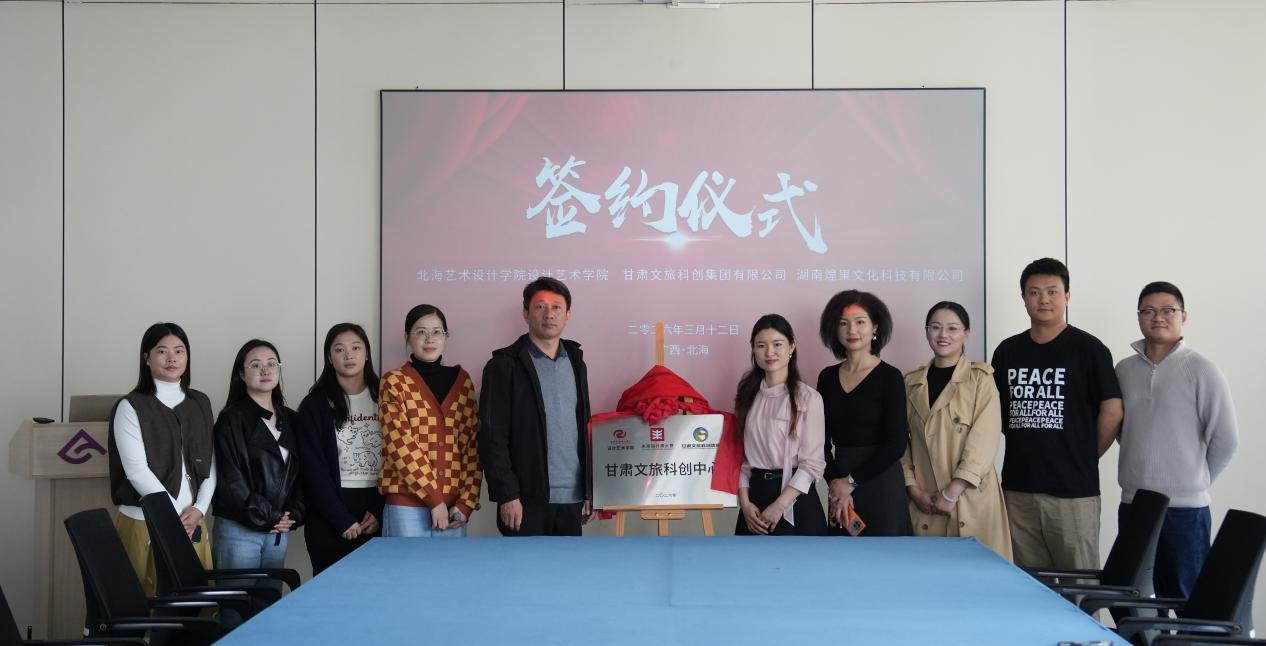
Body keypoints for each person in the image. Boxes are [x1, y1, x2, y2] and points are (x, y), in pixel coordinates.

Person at [991, 258, 1122, 570]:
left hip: (1073, 493)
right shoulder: (1007, 351)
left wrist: (1085, 456)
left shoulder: (1089, 349)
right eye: (1034, 292)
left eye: (1052, 291)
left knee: (1080, 583)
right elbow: (996, 412)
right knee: (1028, 584)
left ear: (1067, 296)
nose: (1044, 299)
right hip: (1018, 489)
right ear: (1024, 298)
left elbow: (1113, 410)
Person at [1116, 281, 1238, 598]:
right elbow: (1123, 430)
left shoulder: (1202, 370)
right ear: (1138, 317)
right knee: (1130, 598)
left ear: (1184, 316)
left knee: (1186, 599)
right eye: (1148, 311)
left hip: (1184, 511)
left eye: (1168, 310)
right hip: (1133, 504)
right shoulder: (1123, 370)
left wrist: (1195, 479)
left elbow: (1226, 439)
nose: (1158, 317)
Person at [107, 322, 216, 595]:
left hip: (193, 521)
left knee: (194, 606)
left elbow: (210, 463)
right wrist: (174, 516)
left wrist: (200, 509)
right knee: (145, 605)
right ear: (146, 358)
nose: (172, 358)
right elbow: (136, 471)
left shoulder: (200, 402)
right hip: (145, 521)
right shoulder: (130, 406)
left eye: (179, 351)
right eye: (162, 351)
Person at [480, 277, 592, 536]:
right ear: (525, 313)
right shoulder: (504, 366)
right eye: (540, 306)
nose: (549, 314)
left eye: (556, 307)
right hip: (525, 499)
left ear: (568, 315)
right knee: (523, 564)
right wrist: (507, 494)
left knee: (569, 564)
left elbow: (584, 428)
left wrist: (589, 490)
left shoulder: (576, 362)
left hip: (572, 498)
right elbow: (492, 438)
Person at [902, 302, 1012, 559]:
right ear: (926, 331)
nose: (943, 335)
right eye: (935, 327)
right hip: (926, 499)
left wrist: (952, 492)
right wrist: (913, 489)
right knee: (930, 573)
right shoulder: (911, 382)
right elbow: (902, 442)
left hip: (970, 496)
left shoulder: (980, 379)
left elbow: (984, 441)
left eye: (952, 328)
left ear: (966, 334)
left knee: (978, 574)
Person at [212, 339, 304, 601]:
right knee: (236, 607)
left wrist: (293, 513)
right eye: (255, 365)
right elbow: (231, 479)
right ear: (241, 374)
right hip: (240, 529)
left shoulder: (291, 418)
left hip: (278, 531)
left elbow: (300, 475)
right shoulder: (231, 418)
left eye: (271, 364)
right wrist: (270, 515)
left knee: (268, 606)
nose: (265, 370)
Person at [378, 305, 481, 537]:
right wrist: (434, 499)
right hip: (407, 506)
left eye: (437, 332)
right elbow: (400, 445)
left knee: (450, 565)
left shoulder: (463, 382)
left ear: (446, 337)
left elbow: (471, 447)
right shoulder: (393, 382)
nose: (430, 339)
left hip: (454, 510)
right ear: (407, 337)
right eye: (421, 332)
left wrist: (467, 502)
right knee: (406, 563)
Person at [817, 290, 912, 536]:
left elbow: (897, 444)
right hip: (839, 483)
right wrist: (835, 483)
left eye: (860, 322)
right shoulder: (827, 378)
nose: (852, 330)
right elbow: (820, 442)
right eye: (843, 323)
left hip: (881, 481)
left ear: (875, 327)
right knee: (840, 554)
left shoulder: (890, 377)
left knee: (885, 555)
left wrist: (850, 482)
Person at [296, 323, 384, 573]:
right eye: (339, 349)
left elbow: (399, 456)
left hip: (375, 503)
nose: (348, 355)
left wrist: (379, 511)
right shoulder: (314, 404)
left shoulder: (386, 396)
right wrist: (340, 518)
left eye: (356, 348)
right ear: (329, 357)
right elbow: (312, 468)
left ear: (366, 354)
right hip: (329, 509)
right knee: (330, 590)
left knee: (377, 588)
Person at [734, 314, 827, 536]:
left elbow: (812, 464)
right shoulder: (748, 396)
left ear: (791, 347)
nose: (769, 352)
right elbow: (741, 460)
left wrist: (779, 506)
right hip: (754, 502)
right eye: (761, 345)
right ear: (753, 350)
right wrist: (745, 504)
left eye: (777, 344)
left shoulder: (808, 398)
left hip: (796, 498)